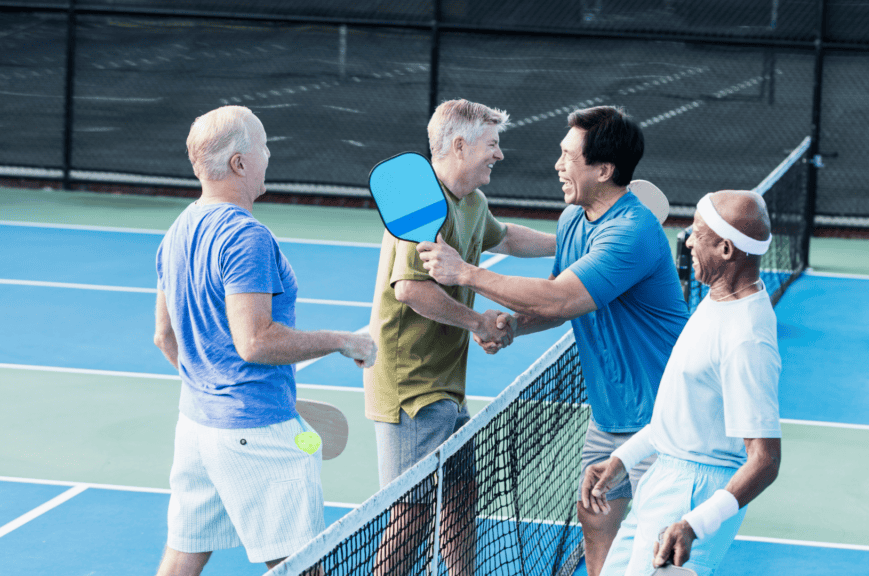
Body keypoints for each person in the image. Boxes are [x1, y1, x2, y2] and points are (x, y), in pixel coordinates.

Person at [417, 105, 689, 576]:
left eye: (569, 157)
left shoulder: (632, 232)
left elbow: (562, 299)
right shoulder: (572, 221)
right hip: (609, 416)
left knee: (661, 552)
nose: (558, 166)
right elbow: (548, 300)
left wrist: (464, 272)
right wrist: (511, 328)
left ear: (603, 170)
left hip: (661, 420)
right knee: (595, 516)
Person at [152, 105, 377, 575]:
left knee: (182, 559)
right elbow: (254, 342)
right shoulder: (245, 237)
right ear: (239, 163)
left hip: (196, 427)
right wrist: (343, 340)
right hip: (255, 429)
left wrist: (212, 390)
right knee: (301, 567)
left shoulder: (177, 231)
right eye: (264, 145)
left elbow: (164, 337)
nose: (270, 155)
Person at [366, 98, 556, 576]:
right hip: (411, 386)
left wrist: (572, 243)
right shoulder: (419, 201)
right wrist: (477, 323)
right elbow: (411, 289)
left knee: (459, 498)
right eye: (492, 144)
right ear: (459, 145)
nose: (500, 154)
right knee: (410, 516)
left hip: (446, 380)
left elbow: (507, 238)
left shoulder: (472, 202)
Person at [580, 189, 783, 576]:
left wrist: (696, 523)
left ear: (726, 249)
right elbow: (684, 416)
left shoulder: (746, 339)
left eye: (697, 233)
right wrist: (624, 459)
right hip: (663, 478)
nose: (687, 240)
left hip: (692, 497)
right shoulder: (717, 299)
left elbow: (766, 460)